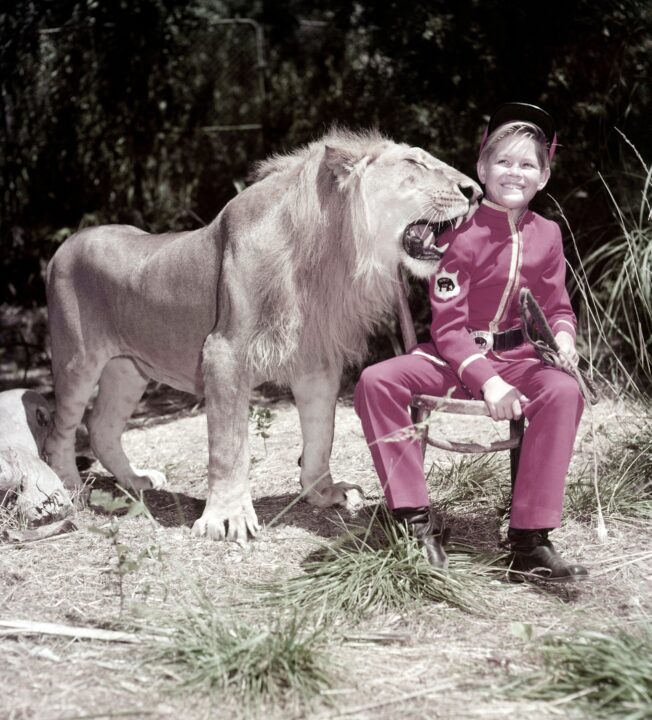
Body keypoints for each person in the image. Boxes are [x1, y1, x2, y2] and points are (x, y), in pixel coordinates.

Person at [354, 102, 588, 581]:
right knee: (377, 381)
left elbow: (558, 307)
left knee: (563, 390)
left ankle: (529, 541)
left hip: (520, 359)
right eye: (503, 161)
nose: (514, 173)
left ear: (543, 177)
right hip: (451, 359)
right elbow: (448, 327)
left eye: (527, 165)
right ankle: (414, 521)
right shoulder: (456, 230)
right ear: (482, 168)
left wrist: (564, 337)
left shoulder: (547, 234)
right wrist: (488, 383)